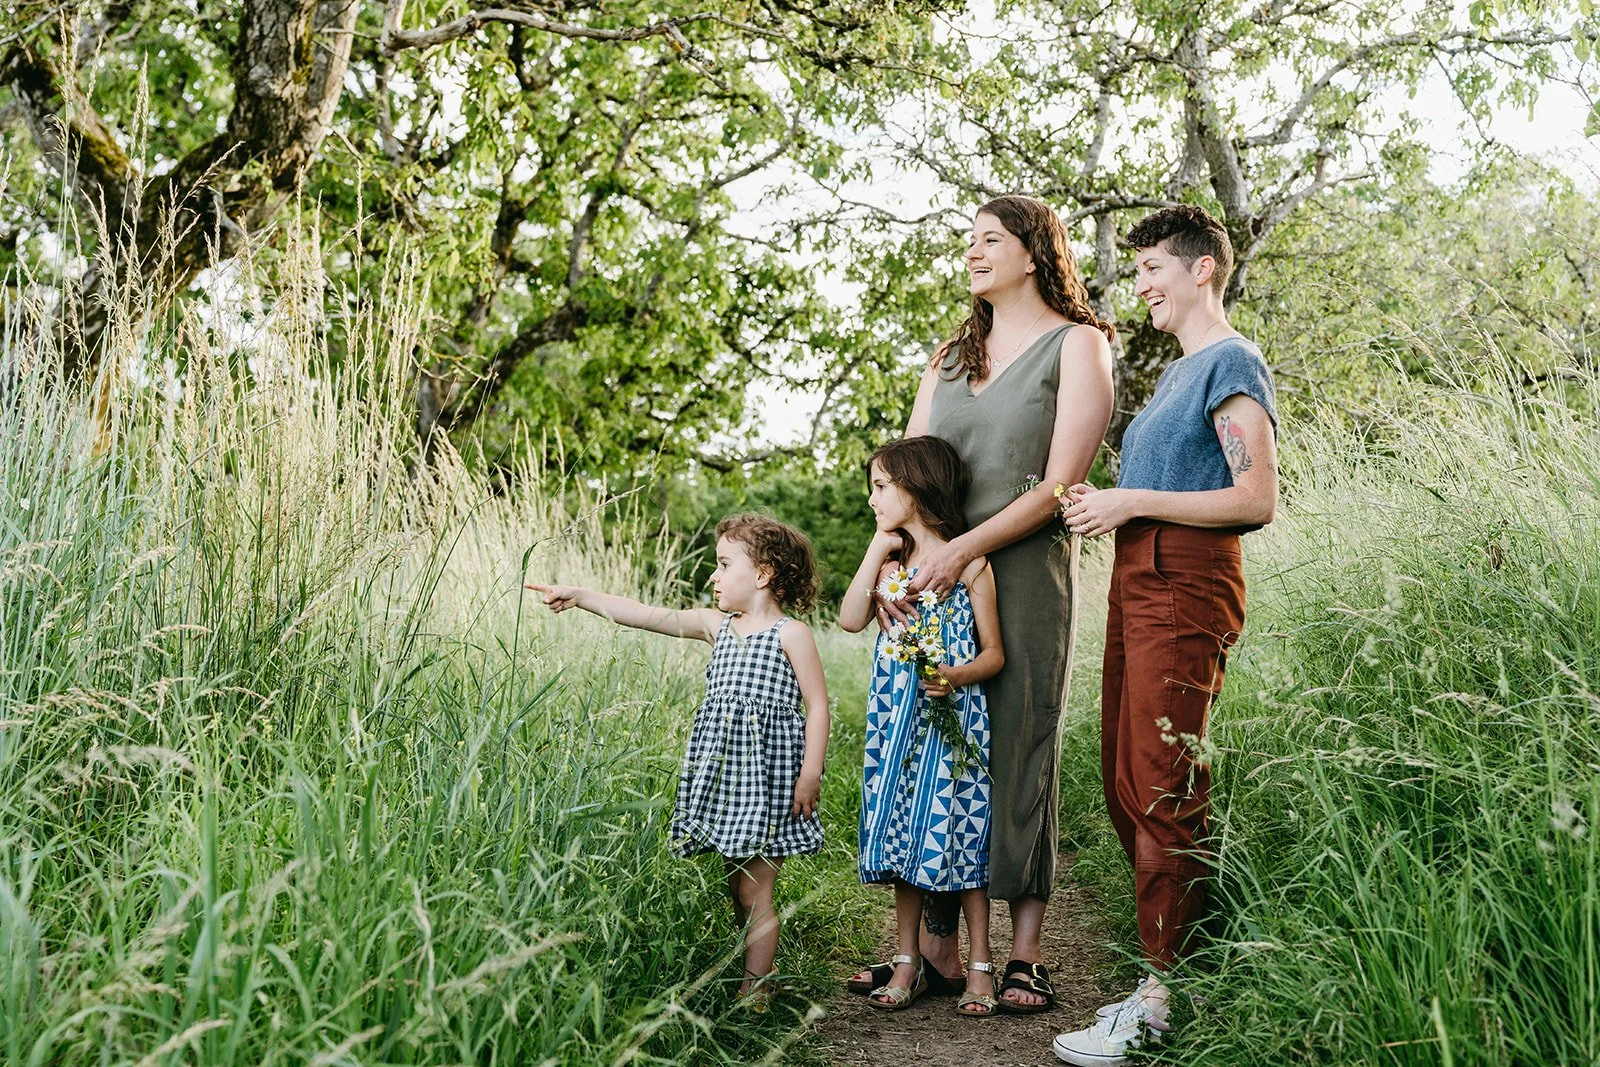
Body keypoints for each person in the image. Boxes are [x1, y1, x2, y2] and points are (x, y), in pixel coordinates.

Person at [847, 194, 1115, 1012]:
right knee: (933, 750)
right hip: (931, 580)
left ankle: (1023, 954)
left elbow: (1062, 480)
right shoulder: (948, 356)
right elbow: (910, 468)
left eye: (989, 240)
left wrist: (969, 548)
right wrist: (898, 554)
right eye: (968, 241)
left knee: (1018, 743)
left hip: (1027, 571)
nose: (972, 252)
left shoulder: (1082, 346)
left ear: (1034, 252)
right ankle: (929, 952)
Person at [1051, 205, 1279, 1065]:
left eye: (1153, 268)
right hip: (1140, 577)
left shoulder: (1231, 360)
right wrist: (1106, 505)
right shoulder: (1177, 376)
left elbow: (1254, 498)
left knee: (1161, 783)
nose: (1140, 283)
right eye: (1140, 270)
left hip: (1185, 578)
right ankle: (1172, 971)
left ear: (1202, 271)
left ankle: (1163, 1000)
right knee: (1124, 775)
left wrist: (1131, 500)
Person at [526, 513, 830, 1009]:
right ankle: (755, 969)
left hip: (771, 780)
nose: (712, 576)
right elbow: (645, 613)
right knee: (738, 884)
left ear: (762, 574)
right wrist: (581, 595)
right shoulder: (717, 627)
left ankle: (756, 989)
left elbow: (817, 705)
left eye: (723, 564)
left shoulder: (791, 635)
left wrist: (810, 771)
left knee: (756, 890)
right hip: (726, 780)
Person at [839, 436, 1006, 1017]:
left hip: (954, 718)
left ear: (919, 486)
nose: (872, 499)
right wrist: (878, 546)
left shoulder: (970, 565)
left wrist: (953, 677)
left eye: (882, 487)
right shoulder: (890, 569)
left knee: (961, 828)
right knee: (904, 832)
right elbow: (849, 618)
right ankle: (907, 960)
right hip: (895, 721)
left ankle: (982, 965)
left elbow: (995, 656)